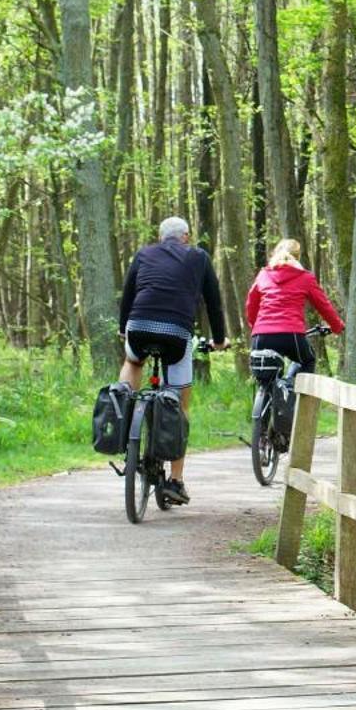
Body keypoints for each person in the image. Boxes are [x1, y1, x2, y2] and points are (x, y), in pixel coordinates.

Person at [118, 216, 227, 504]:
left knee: (133, 362)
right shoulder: (199, 257)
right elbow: (213, 301)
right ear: (187, 237)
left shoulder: (143, 253)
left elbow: (128, 295)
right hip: (176, 333)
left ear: (159, 236)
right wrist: (219, 339)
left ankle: (124, 415)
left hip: (138, 326)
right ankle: (175, 481)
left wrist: (122, 329)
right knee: (180, 403)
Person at [245, 238, 345, 374]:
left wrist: (256, 326)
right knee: (307, 360)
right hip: (291, 334)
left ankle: (269, 392)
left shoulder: (263, 275)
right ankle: (293, 388)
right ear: (298, 256)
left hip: (261, 335)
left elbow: (251, 304)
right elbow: (323, 305)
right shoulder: (305, 277)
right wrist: (337, 326)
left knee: (265, 373)